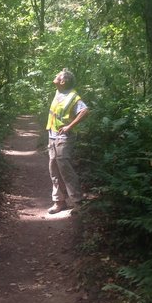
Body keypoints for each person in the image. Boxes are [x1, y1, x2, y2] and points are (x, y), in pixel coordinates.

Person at [46, 68, 89, 214]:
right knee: (54, 168)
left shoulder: (72, 96)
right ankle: (59, 201)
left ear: (63, 81)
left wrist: (69, 126)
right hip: (52, 135)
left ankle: (77, 202)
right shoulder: (58, 91)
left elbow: (84, 111)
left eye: (58, 76)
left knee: (64, 167)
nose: (55, 76)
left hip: (64, 137)